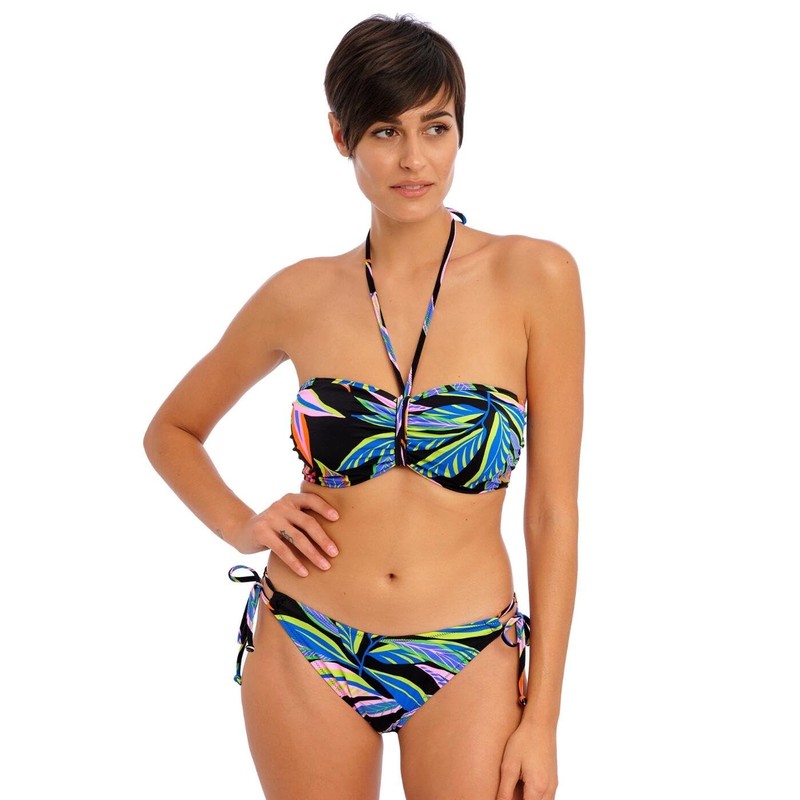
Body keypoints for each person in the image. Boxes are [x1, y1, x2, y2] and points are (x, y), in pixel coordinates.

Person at [144, 13, 584, 800]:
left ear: (460, 131)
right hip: (306, 635)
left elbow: (552, 511)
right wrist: (243, 525)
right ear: (340, 136)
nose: (415, 159)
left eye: (435, 127)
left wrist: (543, 717)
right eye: (385, 131)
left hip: (470, 647)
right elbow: (172, 431)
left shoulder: (535, 278)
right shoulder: (300, 294)